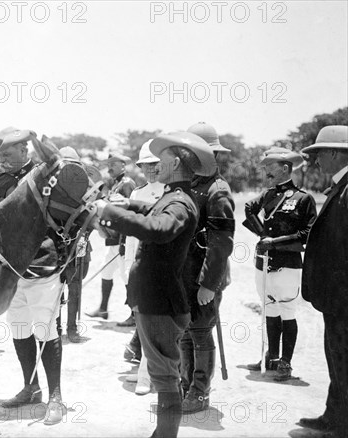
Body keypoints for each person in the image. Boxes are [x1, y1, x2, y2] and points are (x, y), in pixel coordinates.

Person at [93, 131, 216, 438]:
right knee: (164, 376)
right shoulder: (173, 197)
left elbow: (158, 228)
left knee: (164, 379)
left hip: (161, 304)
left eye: (160, 160)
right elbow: (148, 211)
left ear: (174, 163)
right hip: (156, 301)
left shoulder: (180, 203)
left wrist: (108, 213)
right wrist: (125, 204)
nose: (154, 164)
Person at [0, 127, 65, 425]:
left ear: (24, 150)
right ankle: (30, 388)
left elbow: (63, 213)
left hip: (43, 263)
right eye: (0, 155)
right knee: (19, 327)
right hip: (8, 270)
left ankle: (56, 395)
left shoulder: (48, 175)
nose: (3, 160)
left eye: (8, 153)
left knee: (46, 329)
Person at [244, 146, 317, 381]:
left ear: (285, 168)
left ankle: (286, 363)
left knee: (287, 311)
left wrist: (273, 242)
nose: (266, 172)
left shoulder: (304, 198)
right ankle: (272, 357)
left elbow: (307, 234)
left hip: (288, 263)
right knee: (269, 308)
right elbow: (248, 209)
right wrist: (262, 235)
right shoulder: (268, 195)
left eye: (270, 167)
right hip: (263, 262)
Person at [179, 122, 235, 413]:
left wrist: (208, 284)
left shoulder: (217, 191)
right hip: (183, 274)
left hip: (202, 277)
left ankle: (200, 392)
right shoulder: (191, 186)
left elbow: (221, 244)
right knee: (186, 332)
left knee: (201, 333)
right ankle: (185, 386)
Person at [298, 125, 348, 438]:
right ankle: (335, 416)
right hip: (336, 297)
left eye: (318, 156)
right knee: (337, 355)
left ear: (332, 153)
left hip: (343, 297)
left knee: (343, 356)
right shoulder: (340, 187)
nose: (316, 163)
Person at [123, 140, 164, 395]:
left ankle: (148, 377)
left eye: (156, 164)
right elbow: (130, 238)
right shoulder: (136, 193)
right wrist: (128, 270)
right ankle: (144, 372)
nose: (151, 170)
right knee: (142, 320)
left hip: (161, 265)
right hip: (139, 265)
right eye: (146, 165)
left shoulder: (172, 192)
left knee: (156, 323)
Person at [86, 152, 136, 325]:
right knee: (106, 271)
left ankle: (135, 315)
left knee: (127, 276)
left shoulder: (127, 184)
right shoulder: (116, 184)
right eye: (109, 164)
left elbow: (129, 214)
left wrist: (124, 242)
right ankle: (103, 309)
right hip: (112, 239)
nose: (110, 167)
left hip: (123, 240)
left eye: (113, 163)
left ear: (123, 165)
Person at [58, 146, 97, 344]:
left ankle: (72, 327)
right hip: (56, 243)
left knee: (75, 287)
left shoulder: (88, 186)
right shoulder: (53, 185)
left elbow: (93, 214)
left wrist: (84, 234)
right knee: (54, 288)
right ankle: (55, 326)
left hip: (78, 242)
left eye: (72, 165)